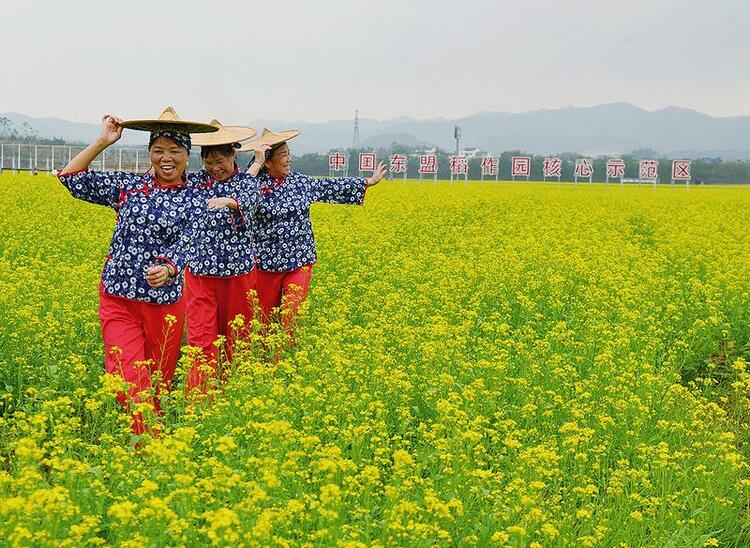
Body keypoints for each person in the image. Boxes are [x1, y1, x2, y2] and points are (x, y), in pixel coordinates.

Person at [57, 107, 216, 435]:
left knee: (157, 382)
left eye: (175, 151)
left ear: (188, 155)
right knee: (128, 379)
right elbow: (70, 178)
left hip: (165, 305)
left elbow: (191, 240)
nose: (166, 158)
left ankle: (150, 450)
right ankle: (149, 446)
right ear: (150, 154)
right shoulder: (128, 186)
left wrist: (170, 267)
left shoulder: (198, 196)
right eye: (158, 151)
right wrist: (103, 141)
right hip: (119, 297)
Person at [239, 129, 386, 345]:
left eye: (289, 153)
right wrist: (256, 164)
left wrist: (366, 183)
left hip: (300, 260)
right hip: (265, 264)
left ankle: (289, 356)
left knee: (292, 314)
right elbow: (237, 191)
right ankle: (267, 363)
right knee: (265, 319)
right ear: (267, 163)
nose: (288, 159)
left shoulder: (300, 182)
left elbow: (330, 187)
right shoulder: (253, 187)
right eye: (282, 155)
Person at [183, 120, 264, 392]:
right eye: (208, 161)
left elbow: (249, 206)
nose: (214, 167)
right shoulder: (194, 181)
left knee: (236, 337)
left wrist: (231, 203)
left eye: (220, 160)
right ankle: (199, 397)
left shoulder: (247, 182)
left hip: (237, 275)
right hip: (199, 273)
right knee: (200, 337)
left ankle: (233, 393)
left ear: (233, 155)